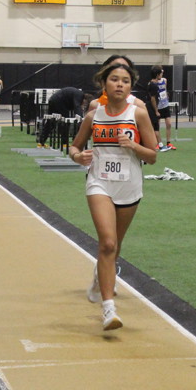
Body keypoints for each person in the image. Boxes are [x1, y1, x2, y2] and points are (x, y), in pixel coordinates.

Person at [67, 61, 158, 330]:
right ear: (104, 84)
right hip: (99, 183)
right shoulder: (93, 115)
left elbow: (152, 156)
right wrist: (78, 157)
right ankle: (109, 310)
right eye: (115, 79)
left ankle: (100, 277)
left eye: (125, 81)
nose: (120, 84)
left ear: (130, 86)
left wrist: (133, 145)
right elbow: (74, 147)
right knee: (107, 243)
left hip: (129, 185)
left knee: (115, 246)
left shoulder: (138, 114)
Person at [147, 65, 174, 151]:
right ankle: (158, 144)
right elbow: (152, 98)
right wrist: (156, 110)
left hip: (164, 104)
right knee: (156, 126)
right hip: (156, 107)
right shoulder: (153, 83)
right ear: (157, 74)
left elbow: (164, 90)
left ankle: (167, 143)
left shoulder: (164, 80)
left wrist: (166, 95)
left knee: (168, 124)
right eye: (161, 72)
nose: (162, 73)